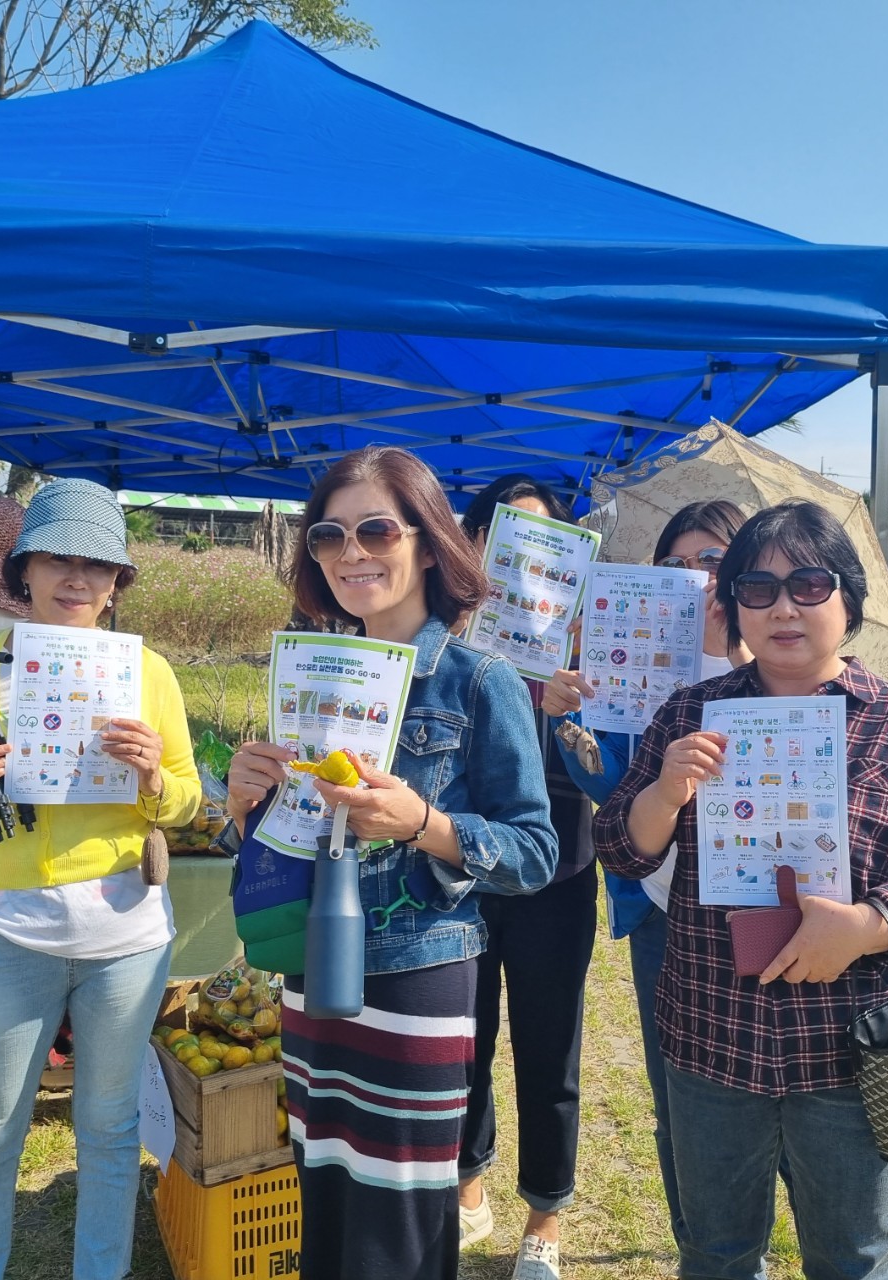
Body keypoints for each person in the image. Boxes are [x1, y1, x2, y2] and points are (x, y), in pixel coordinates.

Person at [592, 500, 888, 1280]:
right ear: (733, 605)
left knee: (855, 1257)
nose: (783, 608)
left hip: (852, 1051)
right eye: (756, 589)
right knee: (716, 1251)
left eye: (809, 583)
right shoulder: (691, 712)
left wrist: (869, 924)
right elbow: (618, 848)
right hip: (711, 1036)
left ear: (849, 599)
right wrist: (664, 794)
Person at [224, 447, 557, 1280]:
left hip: (417, 972)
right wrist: (243, 810)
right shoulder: (312, 678)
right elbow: (286, 843)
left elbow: (534, 851)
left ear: (427, 542)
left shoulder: (482, 681)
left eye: (376, 529)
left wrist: (424, 822)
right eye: (328, 536)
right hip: (308, 963)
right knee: (323, 1186)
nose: (351, 553)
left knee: (399, 1218)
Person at [0, 478, 201, 1280]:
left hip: (127, 940)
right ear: (22, 572)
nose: (78, 579)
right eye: (59, 560)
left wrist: (152, 782)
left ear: (117, 585)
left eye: (99, 567)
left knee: (107, 1127)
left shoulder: (152, 675)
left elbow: (188, 794)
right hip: (4, 934)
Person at [540, 499, 747, 1246]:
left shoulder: (787, 663)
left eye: (713, 561)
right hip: (666, 908)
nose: (694, 578)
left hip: (770, 911)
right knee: (680, 1095)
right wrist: (571, 719)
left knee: (786, 1094)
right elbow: (606, 791)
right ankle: (701, 1240)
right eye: (676, 564)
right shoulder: (633, 657)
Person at [456, 474, 597, 1280]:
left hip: (561, 870)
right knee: (464, 1037)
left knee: (550, 1047)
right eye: (498, 535)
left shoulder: (588, 642)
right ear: (473, 547)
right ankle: (468, 1187)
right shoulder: (450, 637)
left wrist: (575, 711)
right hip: (465, 866)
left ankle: (545, 1216)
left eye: (541, 541)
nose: (517, 559)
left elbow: (615, 766)